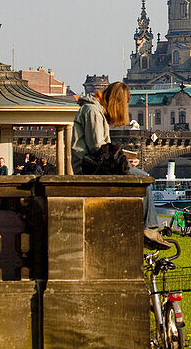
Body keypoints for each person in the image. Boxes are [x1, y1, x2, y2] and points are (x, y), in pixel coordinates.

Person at [72, 80, 168, 249]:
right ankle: (149, 229)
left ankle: (148, 228)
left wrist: (124, 159)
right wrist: (121, 160)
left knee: (141, 177)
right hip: (90, 165)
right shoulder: (93, 111)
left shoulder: (96, 110)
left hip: (97, 163)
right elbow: (97, 147)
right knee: (144, 180)